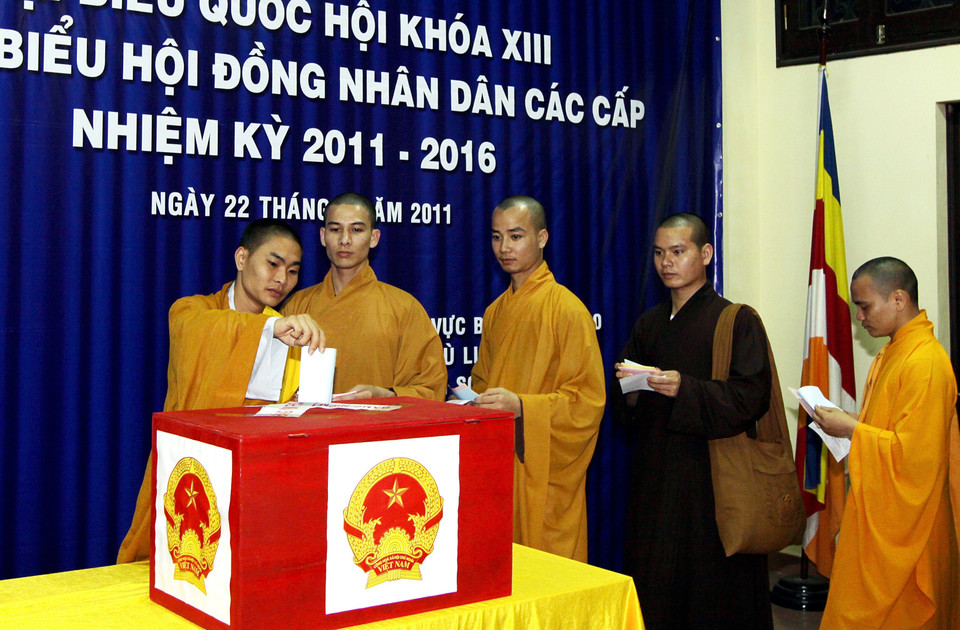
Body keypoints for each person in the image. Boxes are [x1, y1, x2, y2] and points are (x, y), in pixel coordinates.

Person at [116, 219, 326, 563]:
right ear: (242, 258)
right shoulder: (192, 311)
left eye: (292, 271)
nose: (281, 279)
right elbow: (201, 329)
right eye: (273, 264)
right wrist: (270, 328)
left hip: (256, 480)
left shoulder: (288, 332)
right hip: (194, 470)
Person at [614, 213, 773, 630]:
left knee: (712, 598)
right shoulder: (649, 323)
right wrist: (630, 389)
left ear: (705, 254)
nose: (666, 262)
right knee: (656, 586)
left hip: (712, 480)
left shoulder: (736, 321)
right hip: (656, 478)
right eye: (658, 253)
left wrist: (686, 389)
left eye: (678, 252)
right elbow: (625, 408)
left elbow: (751, 396)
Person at [813, 257, 959, 629]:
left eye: (864, 306)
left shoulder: (924, 361)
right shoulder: (894, 351)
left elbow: (916, 459)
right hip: (881, 518)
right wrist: (851, 423)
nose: (859, 317)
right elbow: (890, 428)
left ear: (898, 299)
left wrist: (852, 429)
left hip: (912, 529)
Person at [470, 195, 604, 563]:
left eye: (516, 236)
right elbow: (483, 379)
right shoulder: (495, 312)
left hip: (545, 476)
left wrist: (523, 406)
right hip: (501, 469)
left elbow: (587, 402)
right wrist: (474, 399)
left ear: (542, 238)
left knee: (547, 575)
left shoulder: (567, 310)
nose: (504, 247)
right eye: (496, 237)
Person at [282, 193, 446, 400]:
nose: (345, 240)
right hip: (309, 421)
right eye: (335, 229)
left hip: (379, 421)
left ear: (374, 238)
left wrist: (388, 396)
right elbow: (269, 382)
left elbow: (432, 387)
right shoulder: (297, 306)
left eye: (356, 230)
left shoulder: (404, 308)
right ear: (323, 236)